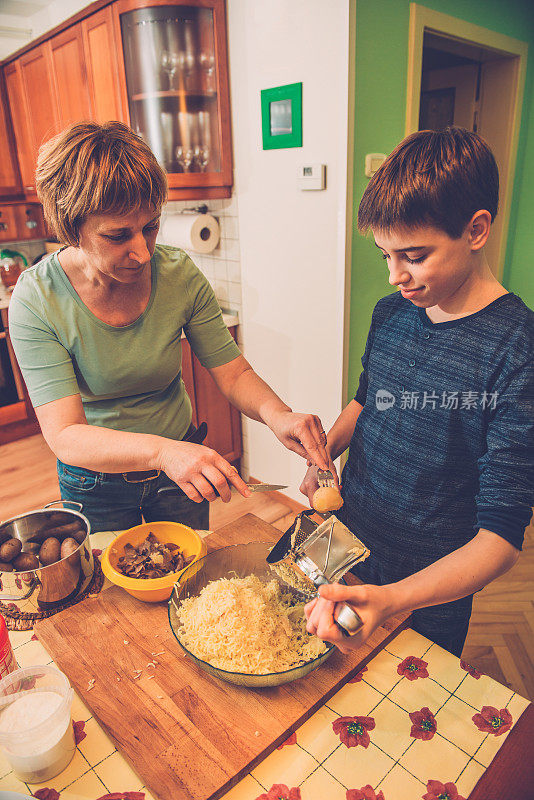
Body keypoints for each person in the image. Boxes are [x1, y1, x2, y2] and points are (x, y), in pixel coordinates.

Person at [9, 121, 329, 533]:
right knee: (115, 589)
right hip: (95, 480)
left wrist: (278, 414)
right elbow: (67, 434)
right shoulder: (37, 299)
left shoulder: (179, 275)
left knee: (188, 576)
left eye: (151, 226)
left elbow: (233, 373)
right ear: (72, 228)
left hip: (181, 468)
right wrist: (163, 453)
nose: (142, 252)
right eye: (118, 235)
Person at [301, 127, 533, 657]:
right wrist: (328, 449)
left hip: (429, 584)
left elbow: (499, 541)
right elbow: (369, 399)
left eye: (413, 255)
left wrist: (391, 599)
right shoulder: (393, 314)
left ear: (476, 230)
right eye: (385, 255)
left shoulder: (517, 349)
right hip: (348, 539)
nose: (393, 276)